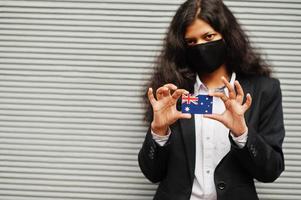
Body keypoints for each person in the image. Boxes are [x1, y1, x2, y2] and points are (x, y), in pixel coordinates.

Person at [138, 0, 285, 199]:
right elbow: (152, 173)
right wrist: (158, 132)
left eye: (209, 36)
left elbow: (271, 171)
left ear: (227, 35)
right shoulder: (171, 93)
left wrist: (242, 134)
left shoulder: (264, 90)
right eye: (191, 41)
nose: (201, 47)